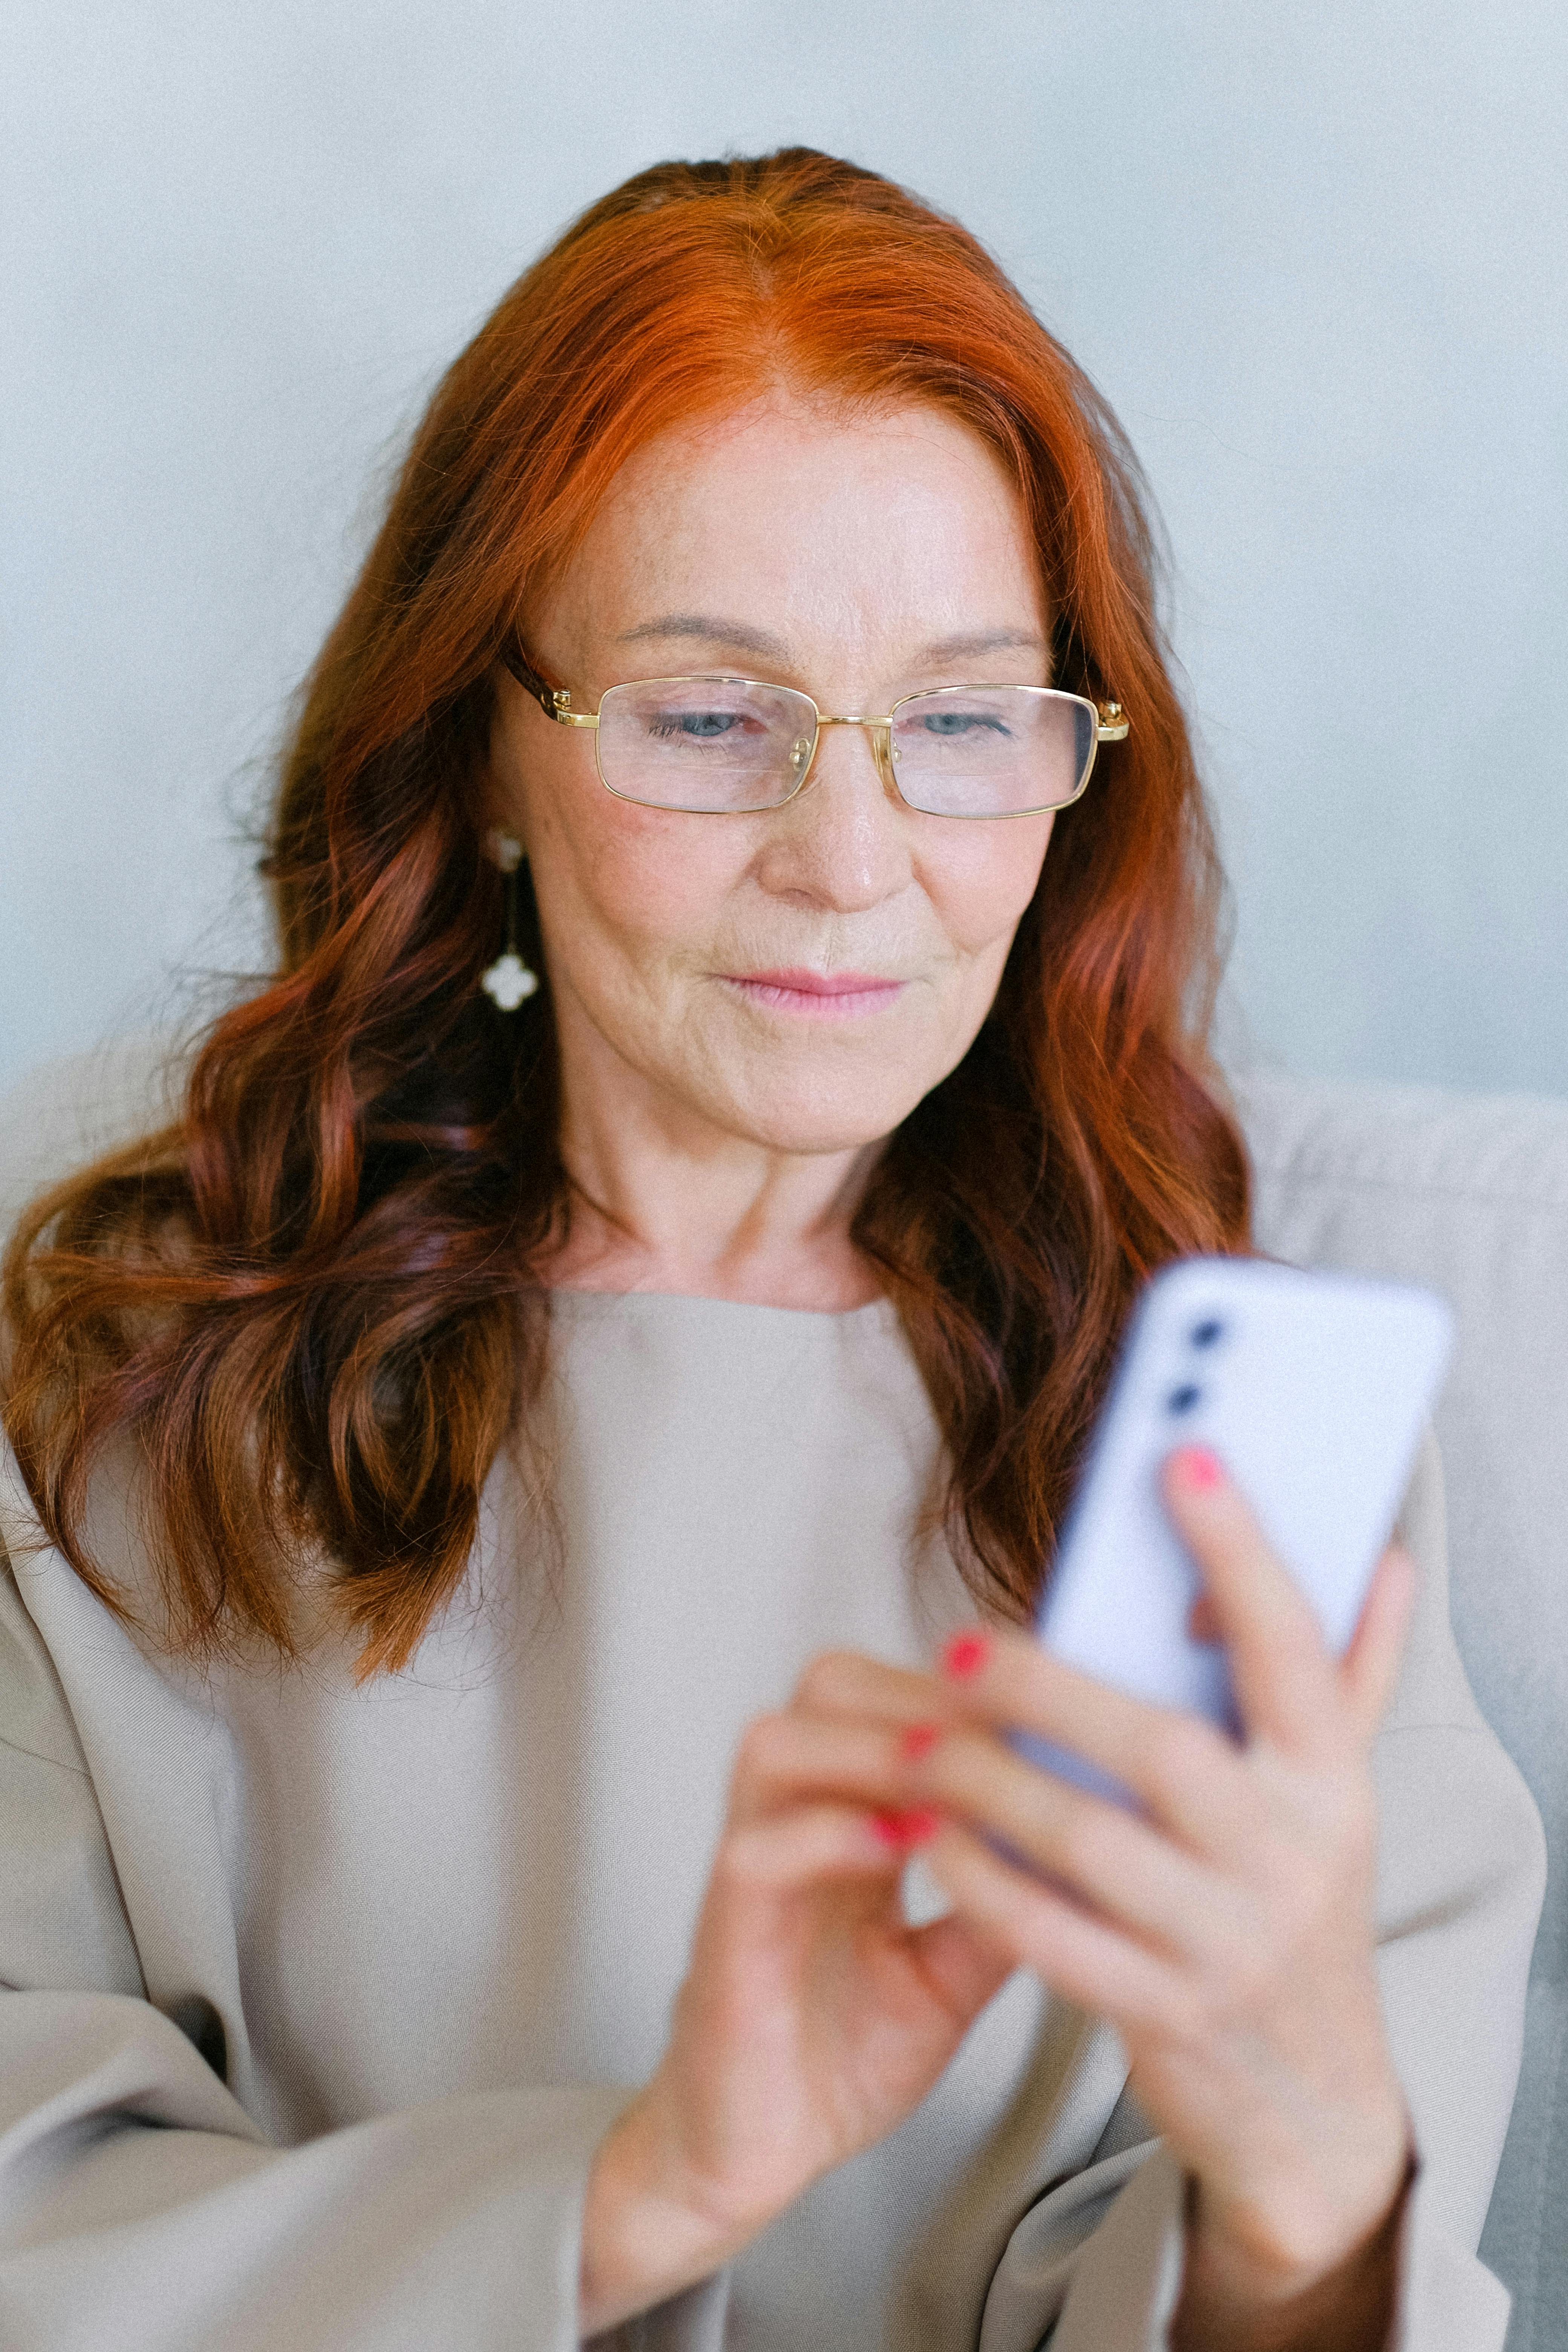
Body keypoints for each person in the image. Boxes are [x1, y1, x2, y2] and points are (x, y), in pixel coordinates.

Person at [0, 149, 1544, 2352]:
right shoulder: (109, 1396)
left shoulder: (1250, 1464)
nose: (853, 859)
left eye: (963, 721)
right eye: (713, 717)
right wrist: (637, 2200)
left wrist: (1300, 2210)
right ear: (481, 758)